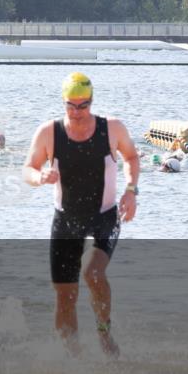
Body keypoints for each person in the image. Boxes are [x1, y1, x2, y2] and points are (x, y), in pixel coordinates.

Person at [22, 72, 141, 357]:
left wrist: (131, 191)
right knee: (65, 294)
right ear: (63, 103)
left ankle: (103, 332)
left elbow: (132, 157)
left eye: (83, 105)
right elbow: (27, 169)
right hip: (66, 220)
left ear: (92, 101)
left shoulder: (111, 128)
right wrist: (40, 176)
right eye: (71, 106)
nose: (77, 113)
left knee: (93, 272)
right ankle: (72, 360)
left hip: (104, 217)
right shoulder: (49, 132)